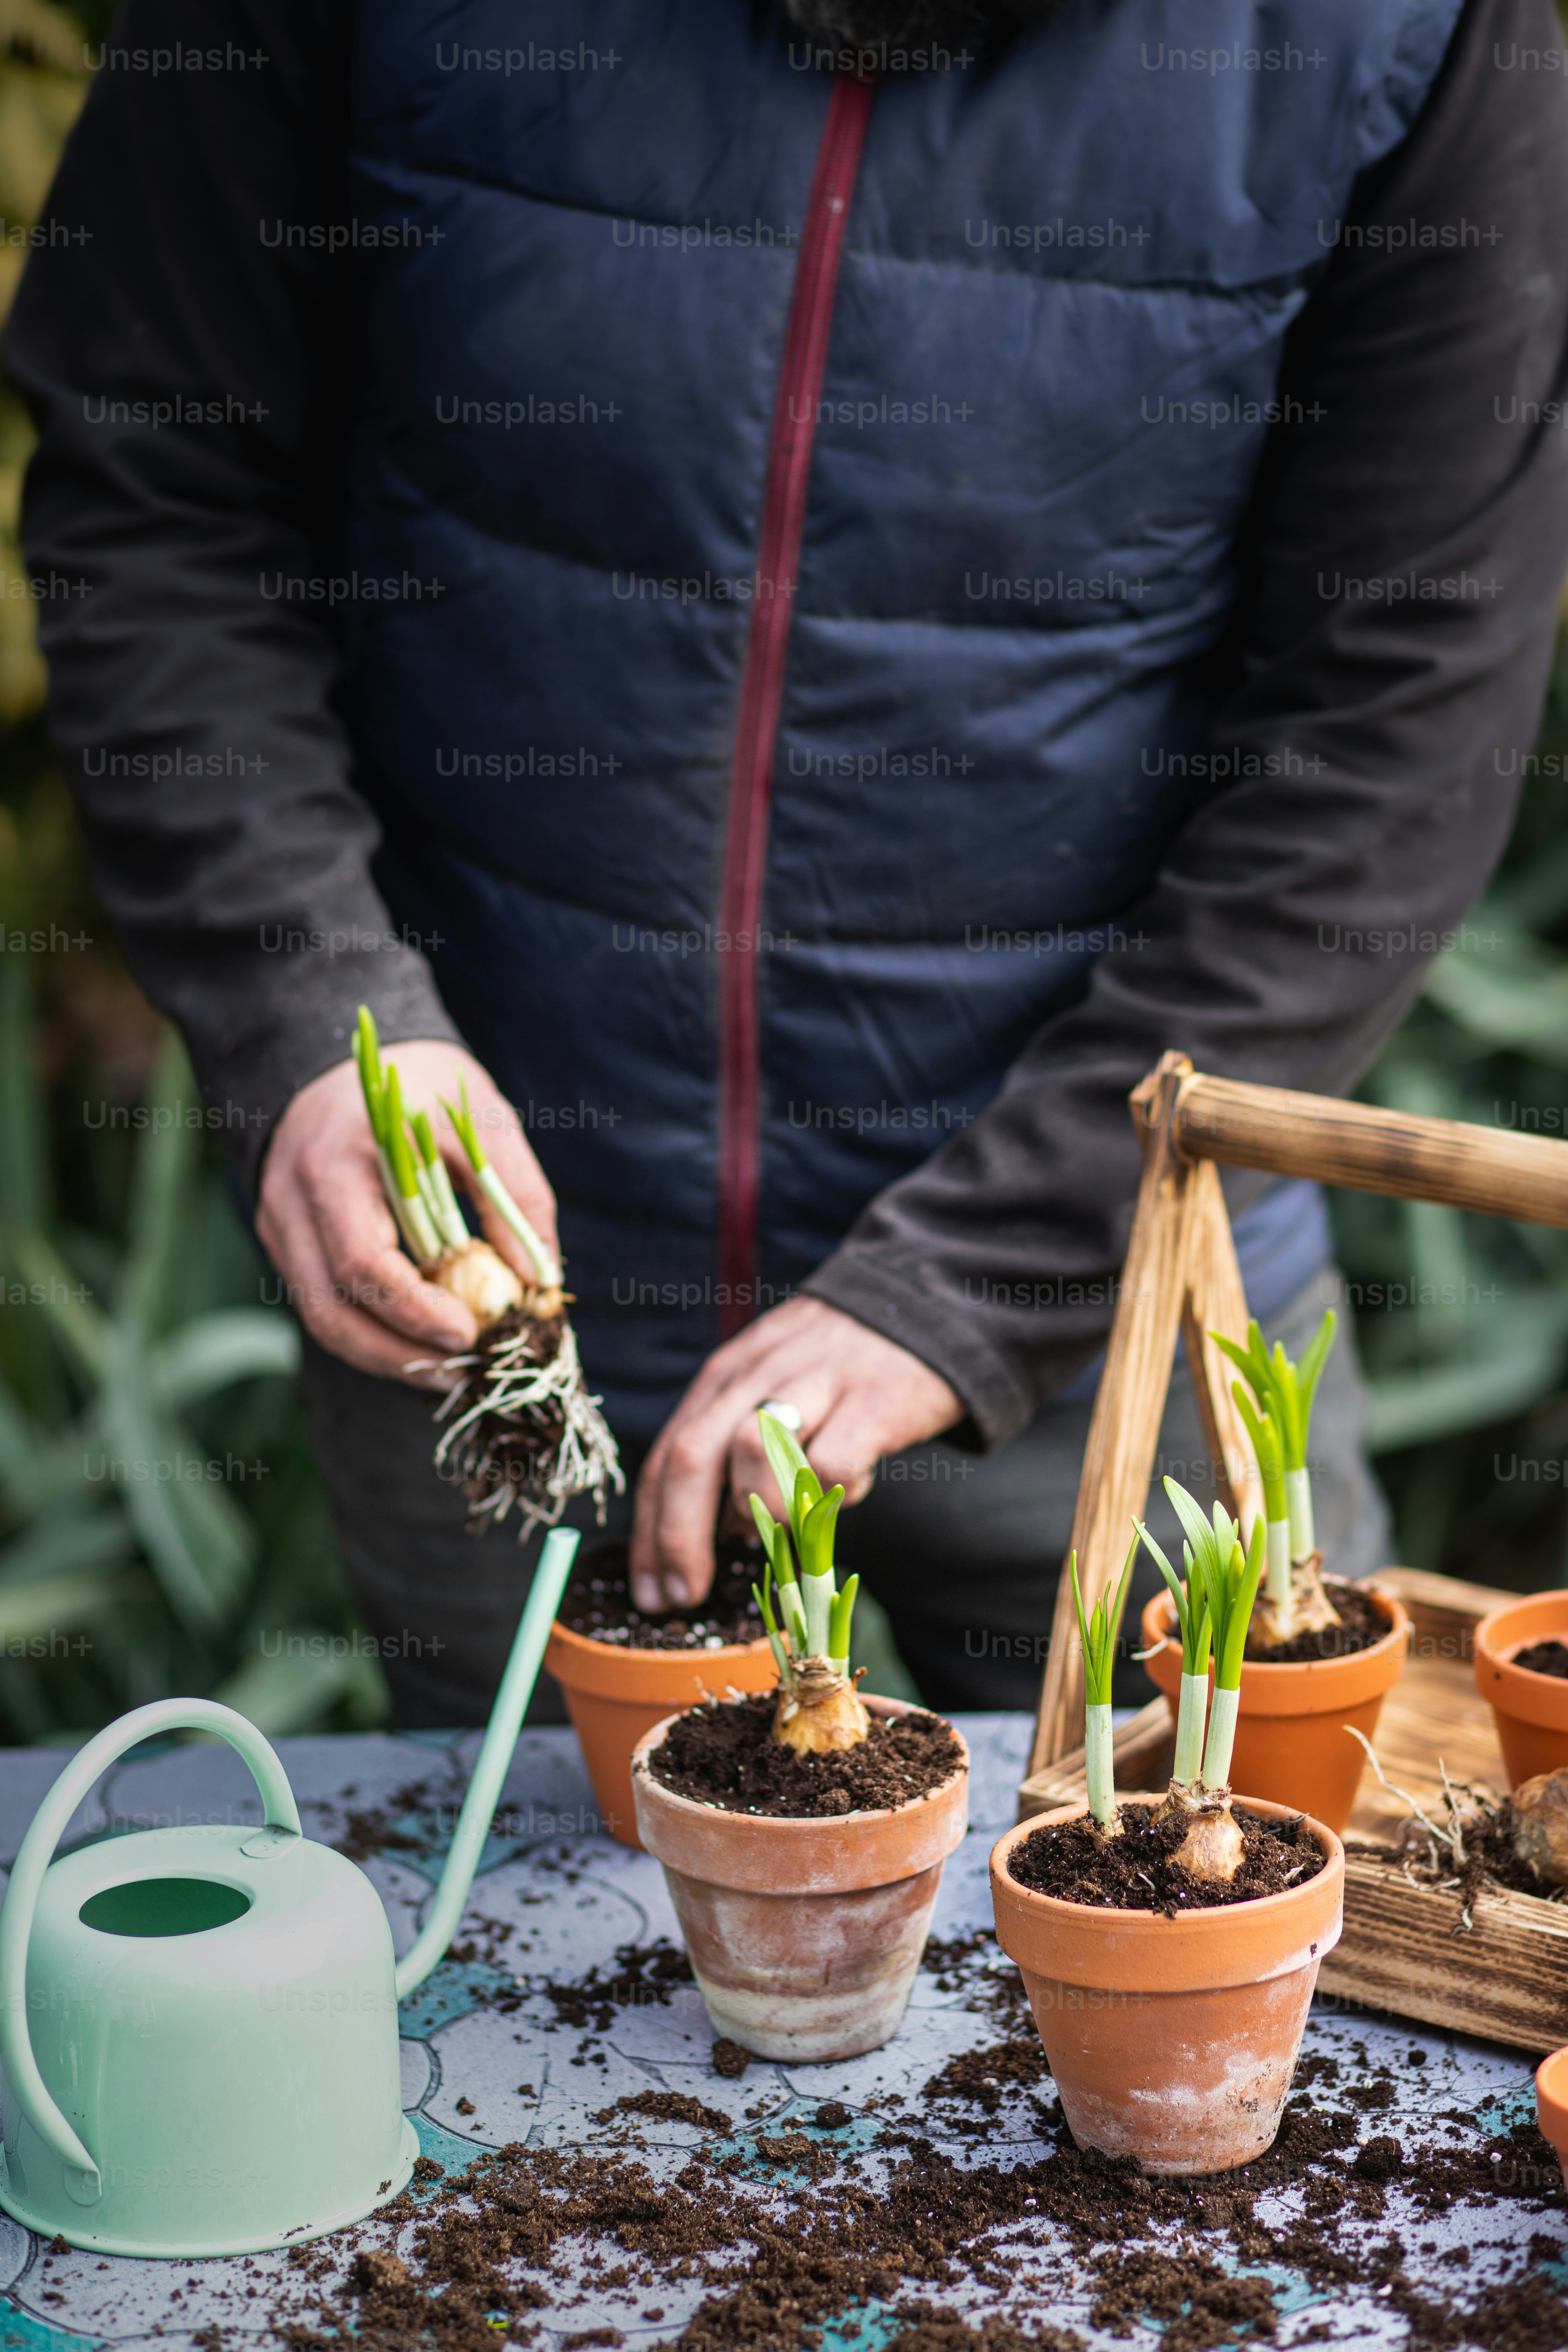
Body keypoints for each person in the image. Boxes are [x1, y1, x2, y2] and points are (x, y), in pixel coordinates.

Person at [9, 0, 1568, 1724]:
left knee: (1230, 1921)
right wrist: (311, 1014)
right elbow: (159, 477)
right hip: (503, 1298)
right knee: (530, 1936)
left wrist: (983, 1276)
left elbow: (1401, 712)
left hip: (1128, 1287)